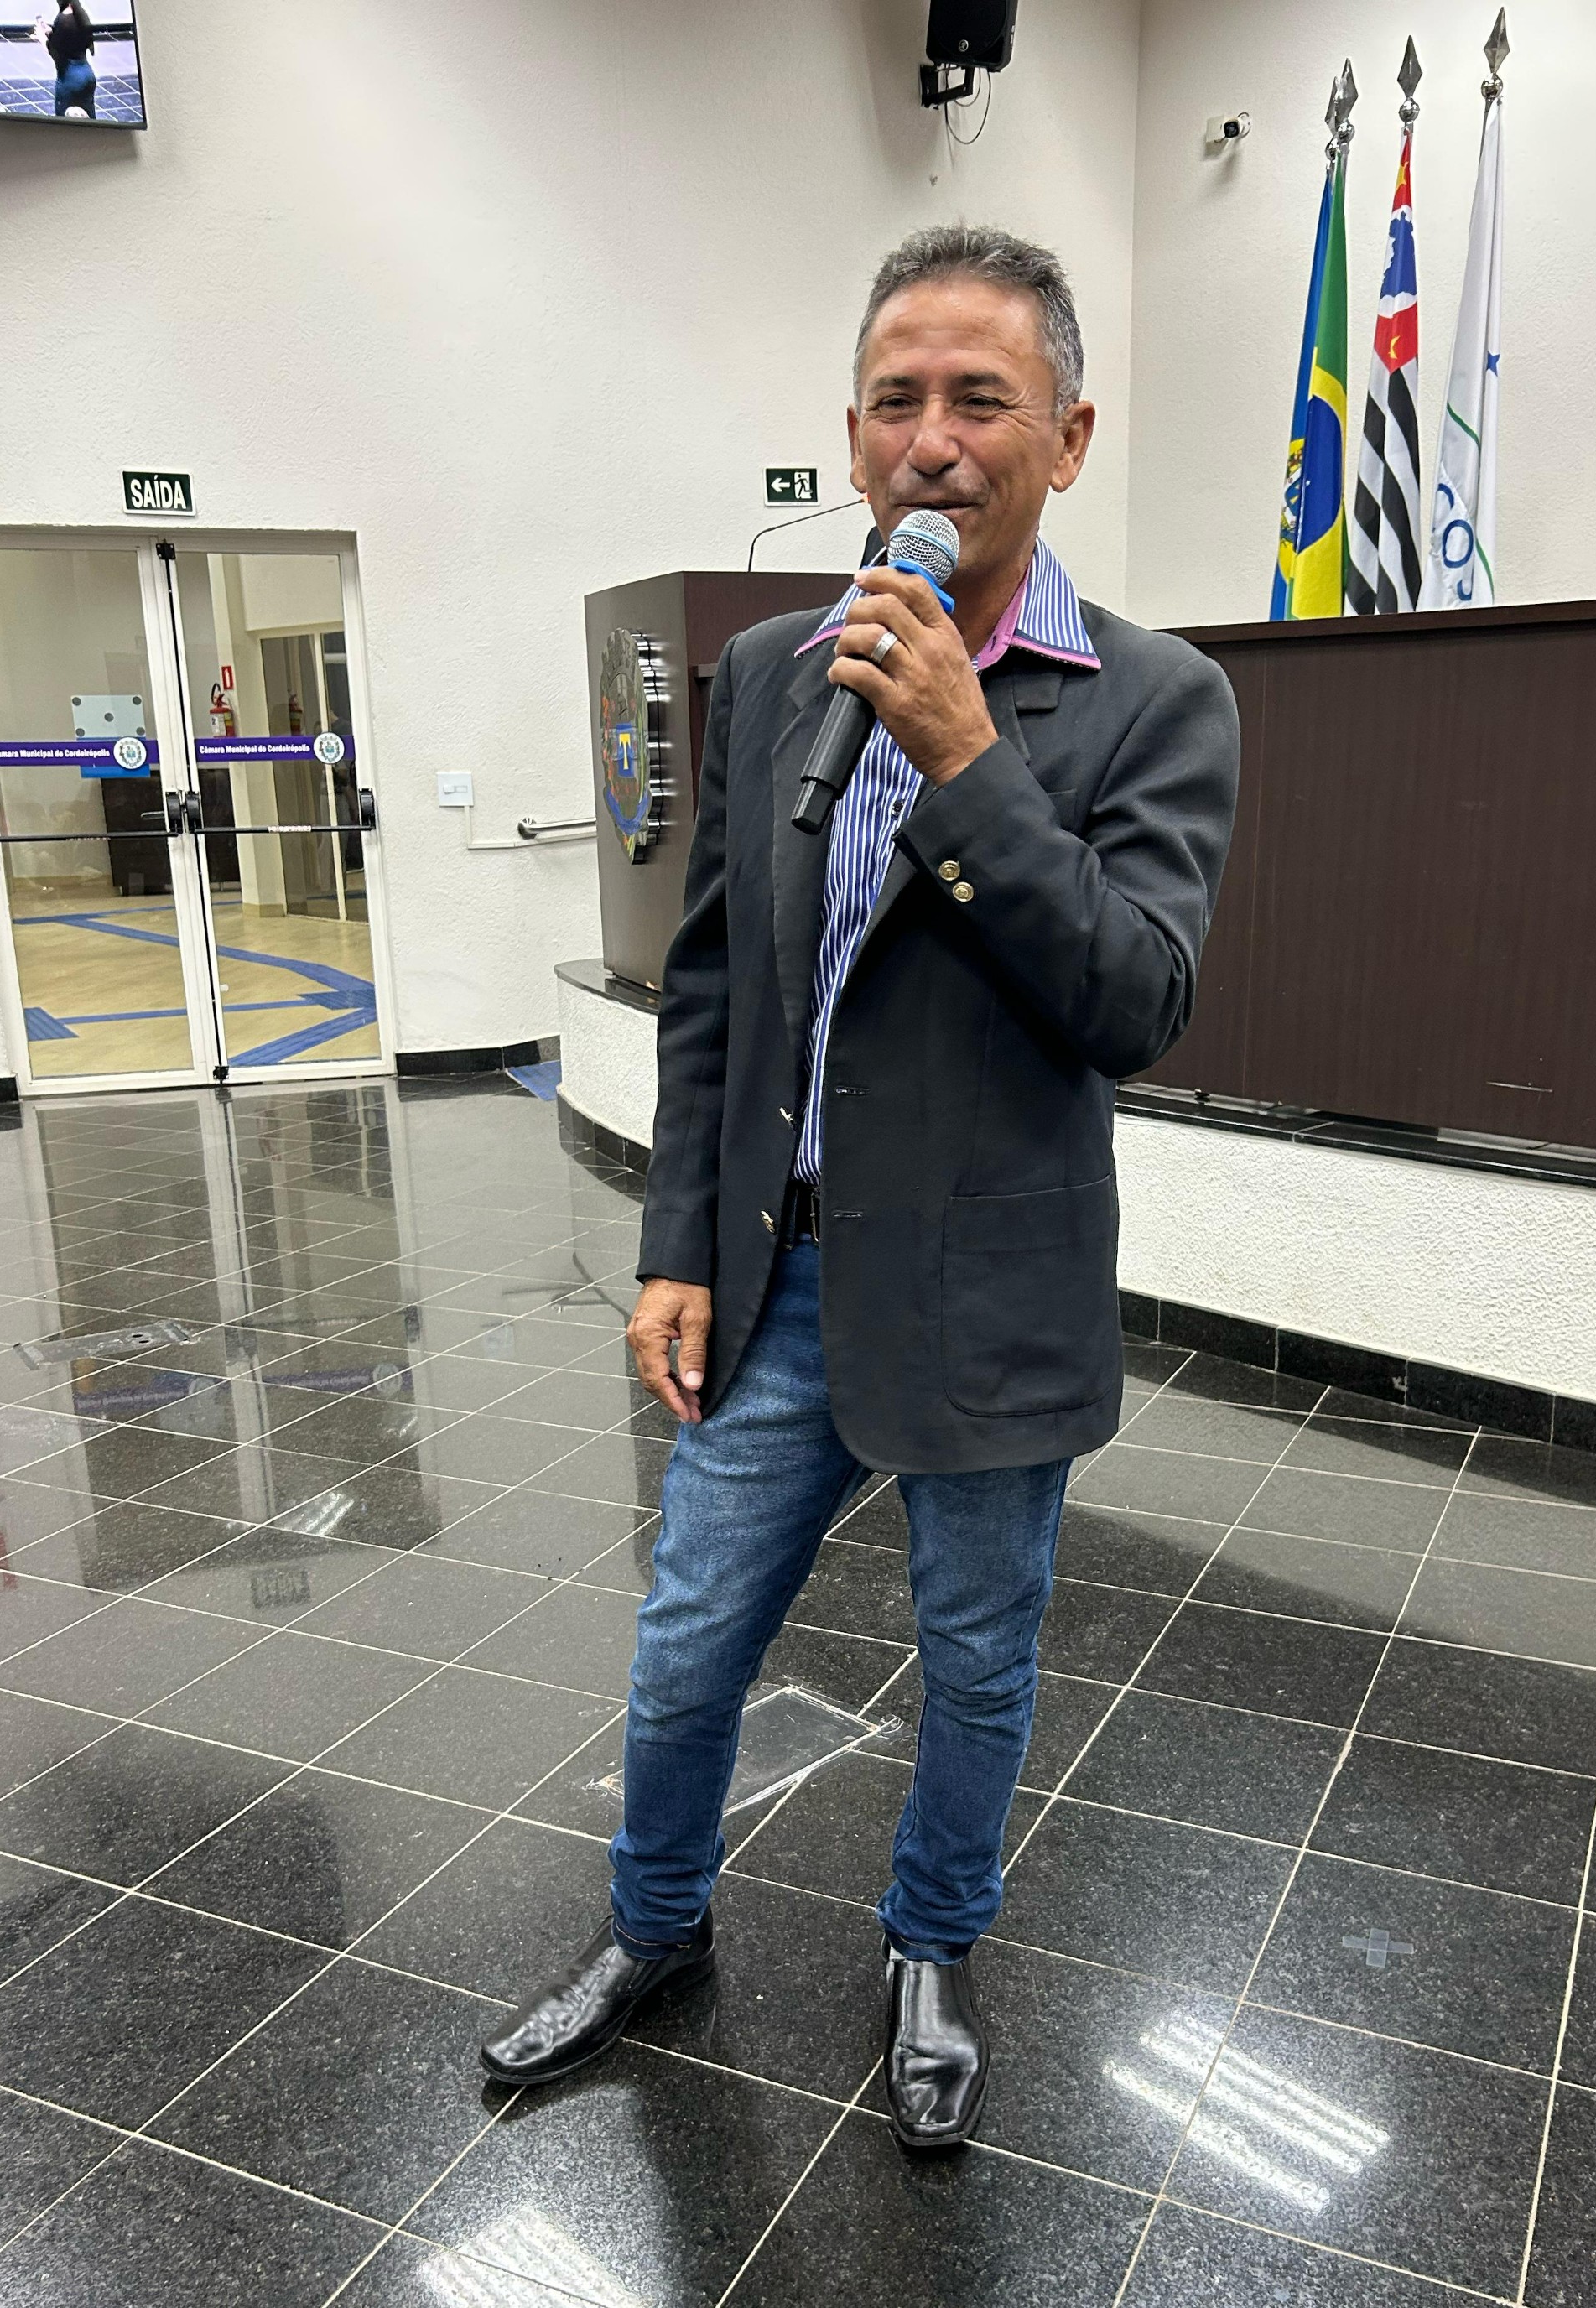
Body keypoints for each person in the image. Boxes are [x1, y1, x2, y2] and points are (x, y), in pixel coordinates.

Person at [483, 225, 1240, 2150]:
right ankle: (654, 1931)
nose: (933, 439)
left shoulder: (1159, 704)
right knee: (684, 1653)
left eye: (982, 398)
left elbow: (1133, 1002)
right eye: (896, 400)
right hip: (780, 1283)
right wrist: (676, 1240)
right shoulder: (768, 674)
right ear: (850, 437)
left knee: (974, 1670)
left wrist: (970, 762)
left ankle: (930, 1949)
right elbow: (718, 985)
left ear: (1070, 437)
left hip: (992, 1292)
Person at [45, 1, 96, 118]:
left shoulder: (63, 19)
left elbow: (56, 52)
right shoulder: (81, 15)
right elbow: (72, 39)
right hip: (87, 75)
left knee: (66, 126)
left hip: (69, 81)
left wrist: (41, 37)